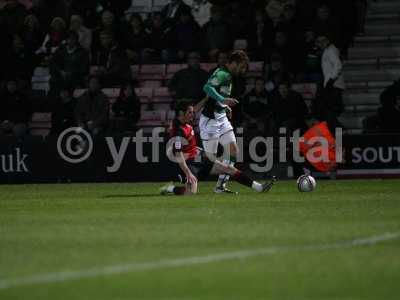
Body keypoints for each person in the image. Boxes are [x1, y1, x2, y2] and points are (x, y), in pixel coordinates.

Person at [160, 100, 276, 195]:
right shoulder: (177, 130)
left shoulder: (186, 122)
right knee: (191, 192)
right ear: (181, 113)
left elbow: (198, 108)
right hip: (189, 164)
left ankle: (259, 187)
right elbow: (178, 155)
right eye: (190, 112)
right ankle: (170, 189)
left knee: (227, 168)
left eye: (192, 112)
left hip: (198, 157)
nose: (193, 114)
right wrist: (188, 173)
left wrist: (209, 99)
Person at [200, 50, 249, 194]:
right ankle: (191, 176)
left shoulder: (229, 76)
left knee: (233, 151)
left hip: (221, 116)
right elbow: (207, 87)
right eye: (241, 66)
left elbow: (219, 95)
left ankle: (220, 187)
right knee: (210, 161)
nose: (242, 70)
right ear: (234, 63)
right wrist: (223, 100)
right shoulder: (222, 73)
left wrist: (224, 106)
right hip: (211, 119)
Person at [315, 33, 345, 131]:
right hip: (332, 85)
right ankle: (338, 130)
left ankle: (339, 130)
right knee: (328, 111)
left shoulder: (331, 50)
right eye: (319, 41)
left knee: (329, 110)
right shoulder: (328, 50)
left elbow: (338, 65)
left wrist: (331, 80)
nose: (321, 43)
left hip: (333, 85)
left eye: (323, 41)